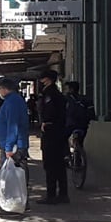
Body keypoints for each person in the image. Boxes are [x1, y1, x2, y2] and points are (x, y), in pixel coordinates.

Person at [0, 78, 30, 212]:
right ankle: (14, 202)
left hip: (13, 145)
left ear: (5, 88)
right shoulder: (11, 101)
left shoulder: (12, 102)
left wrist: (9, 147)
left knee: (12, 176)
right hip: (12, 144)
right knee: (11, 174)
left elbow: (12, 125)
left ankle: (14, 203)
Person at [37, 69, 69, 204]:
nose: (40, 82)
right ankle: (63, 194)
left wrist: (45, 123)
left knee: (50, 165)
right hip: (59, 133)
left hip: (51, 133)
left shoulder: (50, 94)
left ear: (47, 80)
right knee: (60, 165)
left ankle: (51, 195)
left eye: (42, 79)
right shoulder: (58, 94)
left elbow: (49, 113)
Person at [63, 81, 95, 146]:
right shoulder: (85, 98)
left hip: (70, 125)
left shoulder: (66, 99)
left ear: (71, 89)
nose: (66, 91)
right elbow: (91, 112)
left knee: (63, 139)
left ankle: (67, 155)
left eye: (67, 89)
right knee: (80, 142)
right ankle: (79, 151)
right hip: (83, 125)